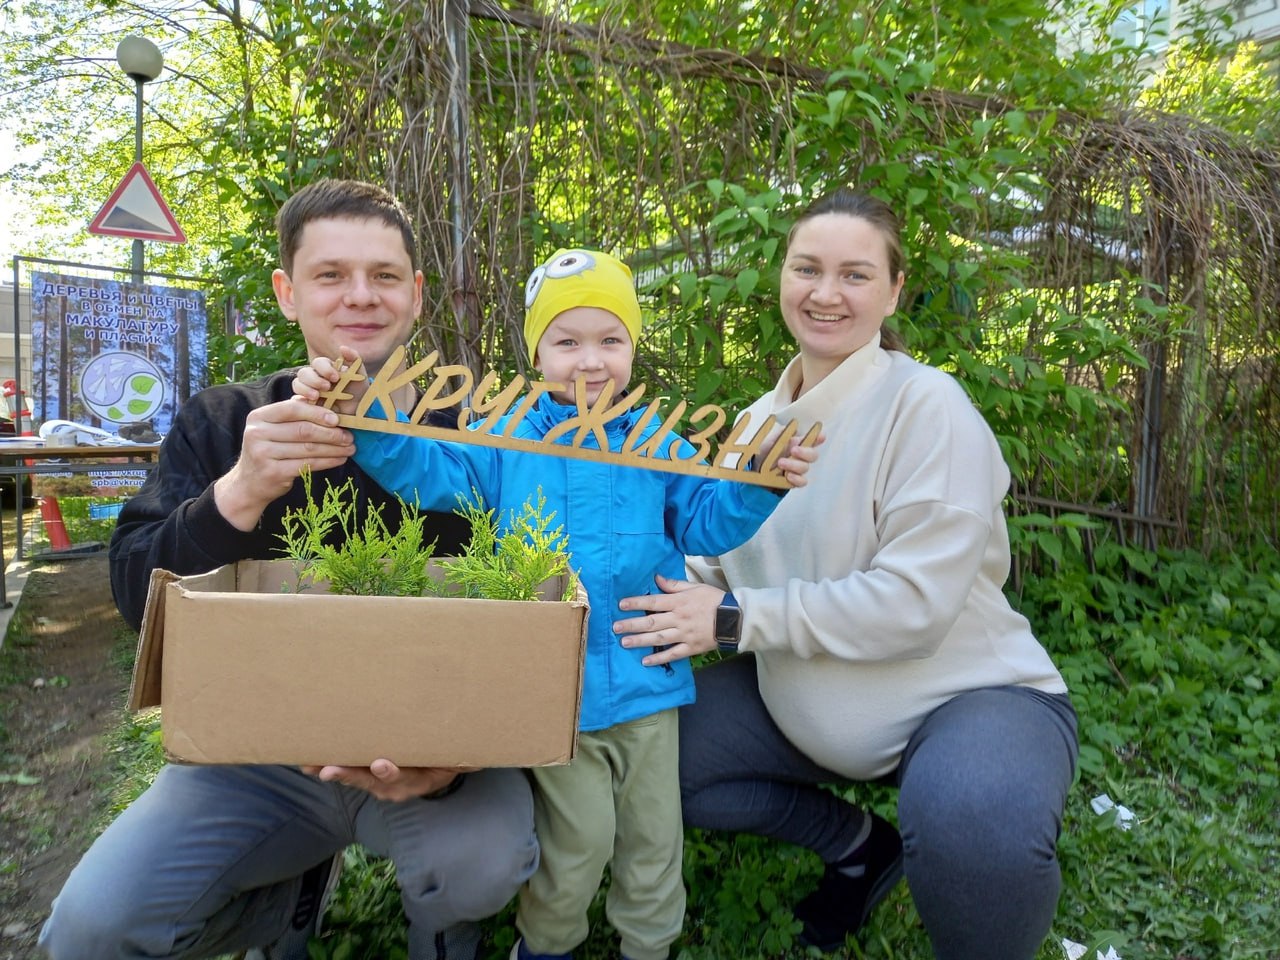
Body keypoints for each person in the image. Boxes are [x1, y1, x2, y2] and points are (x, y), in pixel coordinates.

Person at [39, 179, 540, 960]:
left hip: (435, 747)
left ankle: (444, 925)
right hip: (259, 755)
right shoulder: (225, 422)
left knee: (484, 862)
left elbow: (541, 606)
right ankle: (285, 905)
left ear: (415, 295)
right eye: (330, 274)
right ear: (287, 292)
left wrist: (459, 758)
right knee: (90, 930)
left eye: (383, 275)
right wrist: (238, 492)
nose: (360, 296)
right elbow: (137, 596)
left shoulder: (485, 433)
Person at [294, 247, 820, 960]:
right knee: (579, 843)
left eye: (610, 340)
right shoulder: (505, 438)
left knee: (654, 842)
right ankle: (545, 945)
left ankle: (650, 946)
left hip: (648, 681)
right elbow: (428, 472)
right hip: (553, 689)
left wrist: (760, 483)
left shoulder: (657, 441)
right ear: (536, 353)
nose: (590, 361)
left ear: (632, 347)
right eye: (567, 342)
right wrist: (368, 419)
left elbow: (704, 521)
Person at [613, 189, 1079, 960]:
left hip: (964, 700)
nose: (825, 293)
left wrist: (733, 619)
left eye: (855, 275)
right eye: (807, 269)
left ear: (894, 291)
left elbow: (913, 606)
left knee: (977, 826)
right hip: (802, 706)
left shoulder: (927, 407)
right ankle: (860, 847)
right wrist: (590, 573)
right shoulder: (755, 426)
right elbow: (704, 559)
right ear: (782, 278)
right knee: (651, 756)